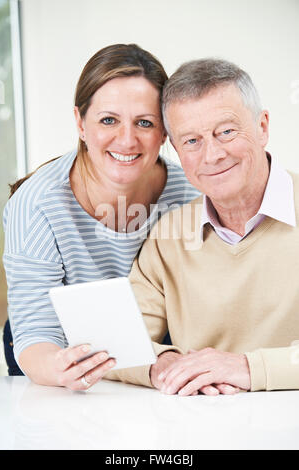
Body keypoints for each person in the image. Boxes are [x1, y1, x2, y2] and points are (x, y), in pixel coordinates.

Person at [2, 44, 201, 389]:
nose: (127, 140)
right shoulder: (36, 204)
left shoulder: (192, 194)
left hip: (157, 350)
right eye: (108, 120)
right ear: (80, 122)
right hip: (60, 351)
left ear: (165, 131)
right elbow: (36, 331)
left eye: (144, 122)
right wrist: (58, 367)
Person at [104, 58, 299, 395]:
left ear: (263, 126)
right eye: (192, 141)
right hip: (196, 427)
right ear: (176, 150)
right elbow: (117, 342)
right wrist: (163, 365)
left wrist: (248, 368)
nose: (212, 155)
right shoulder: (169, 236)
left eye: (226, 131)